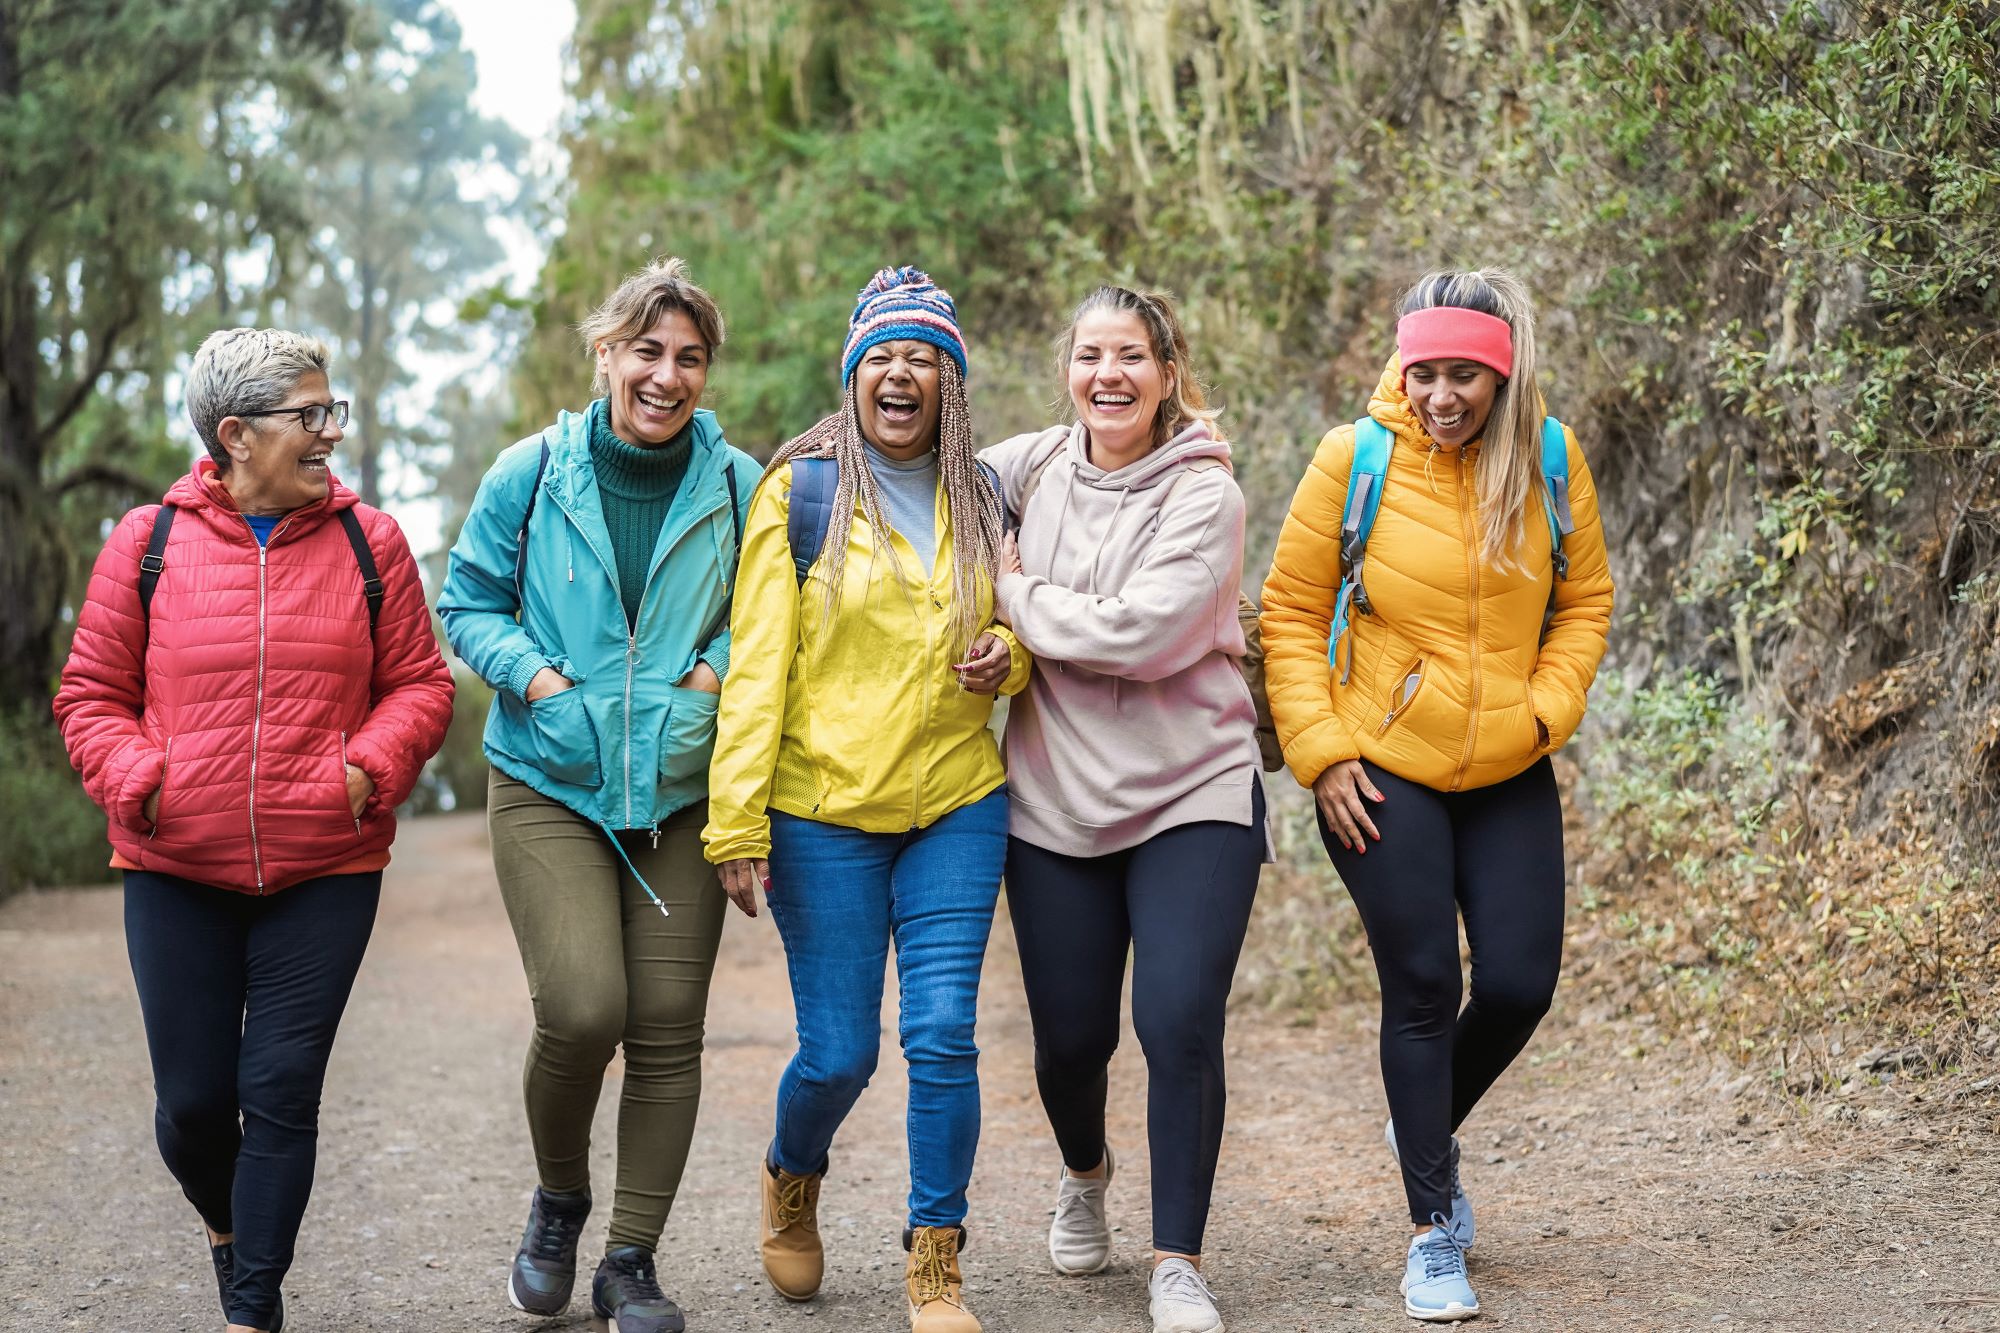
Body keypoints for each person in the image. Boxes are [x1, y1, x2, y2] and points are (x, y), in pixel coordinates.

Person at [53, 328, 454, 1333]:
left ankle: (251, 1307)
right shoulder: (146, 542)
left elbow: (420, 683)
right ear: (234, 435)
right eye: (308, 416)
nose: (329, 433)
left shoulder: (375, 542)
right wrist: (138, 776)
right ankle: (232, 1235)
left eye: (332, 411)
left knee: (279, 1088)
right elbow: (90, 692)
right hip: (177, 862)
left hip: (324, 864)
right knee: (194, 1105)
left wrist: (367, 768)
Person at [1260, 269, 1614, 1322]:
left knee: (1515, 984)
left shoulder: (1548, 458)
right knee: (1419, 984)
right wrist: (1320, 752)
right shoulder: (1352, 458)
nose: (1440, 395)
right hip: (1378, 766)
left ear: (1501, 374)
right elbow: (1287, 611)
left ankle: (1419, 1122)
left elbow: (1584, 600)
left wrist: (1542, 714)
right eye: (1424, 372)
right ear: (1400, 365)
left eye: (1463, 374)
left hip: (1509, 760)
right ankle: (1430, 1234)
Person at [703, 265, 1028, 1333]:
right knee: (839, 1049)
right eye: (882, 356)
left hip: (954, 804)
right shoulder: (796, 495)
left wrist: (1008, 658)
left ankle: (934, 1260)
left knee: (941, 1036)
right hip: (821, 811)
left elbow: (1023, 623)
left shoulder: (979, 492)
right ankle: (792, 1176)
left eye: (923, 358)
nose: (901, 373)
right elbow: (756, 670)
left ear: (949, 381)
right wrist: (736, 819)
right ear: (852, 375)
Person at [437, 258, 758, 1333]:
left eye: (689, 358)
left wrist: (710, 673)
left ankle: (630, 1259)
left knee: (667, 1023)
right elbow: (468, 598)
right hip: (550, 778)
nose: (665, 376)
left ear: (705, 372)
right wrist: (534, 679)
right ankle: (560, 1199)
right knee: (582, 1008)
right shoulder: (528, 473)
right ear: (606, 355)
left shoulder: (738, 487)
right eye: (647, 351)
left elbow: (771, 612)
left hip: (679, 789)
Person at [980, 286, 1266, 1333]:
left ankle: (1177, 1259)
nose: (1108, 374)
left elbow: (1137, 635)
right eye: (1090, 354)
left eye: (1131, 356)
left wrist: (1013, 596)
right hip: (1054, 800)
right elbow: (925, 463)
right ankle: (1083, 1168)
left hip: (1192, 786)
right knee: (1067, 1042)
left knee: (1177, 1017)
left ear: (1166, 371)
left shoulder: (1205, 496)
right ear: (1068, 368)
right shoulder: (1032, 464)